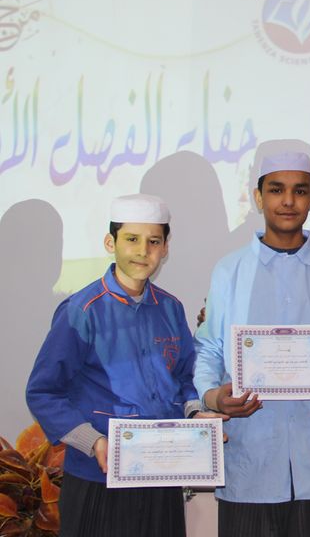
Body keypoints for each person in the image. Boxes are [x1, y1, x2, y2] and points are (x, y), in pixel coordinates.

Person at [26, 194, 212, 537]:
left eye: (153, 241)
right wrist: (93, 442)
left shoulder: (171, 308)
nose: (143, 251)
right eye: (132, 239)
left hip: (162, 476)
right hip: (98, 478)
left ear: (165, 248)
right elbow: (43, 392)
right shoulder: (82, 310)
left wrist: (194, 412)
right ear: (110, 243)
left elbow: (186, 377)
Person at [193, 151, 310, 537]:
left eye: (300, 191)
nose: (288, 201)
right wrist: (213, 397)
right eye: (276, 190)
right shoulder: (230, 270)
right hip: (250, 457)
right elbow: (210, 347)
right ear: (258, 197)